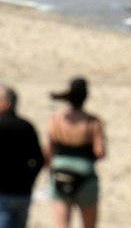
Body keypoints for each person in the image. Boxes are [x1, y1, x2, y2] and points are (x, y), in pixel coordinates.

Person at [43, 79, 103, 228]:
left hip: (60, 171)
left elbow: (49, 150)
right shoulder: (92, 121)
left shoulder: (56, 119)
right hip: (85, 172)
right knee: (89, 224)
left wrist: (49, 169)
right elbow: (100, 151)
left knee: (61, 224)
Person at [0, 85, 45, 228]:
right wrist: (29, 179)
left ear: (6, 103)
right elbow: (39, 159)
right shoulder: (26, 126)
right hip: (23, 192)